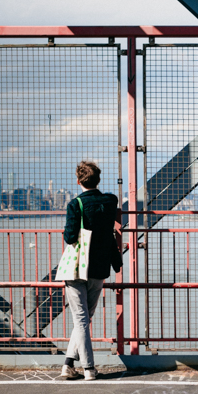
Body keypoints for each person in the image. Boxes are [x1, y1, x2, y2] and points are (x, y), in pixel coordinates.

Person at [60, 161, 122, 380]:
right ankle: (68, 364)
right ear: (98, 180)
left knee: (81, 319)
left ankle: (88, 369)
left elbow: (69, 237)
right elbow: (109, 230)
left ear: (78, 181)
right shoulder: (110, 200)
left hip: (77, 269)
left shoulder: (74, 204)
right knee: (85, 319)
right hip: (99, 267)